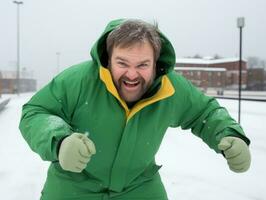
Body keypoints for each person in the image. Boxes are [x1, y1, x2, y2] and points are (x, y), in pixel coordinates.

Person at [19, 19, 251, 200]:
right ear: (109, 59)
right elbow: (36, 112)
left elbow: (204, 113)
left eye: (142, 65)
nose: (132, 74)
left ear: (156, 62)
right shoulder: (78, 80)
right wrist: (60, 142)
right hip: (73, 187)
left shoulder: (171, 88)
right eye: (122, 63)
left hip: (139, 186)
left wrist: (230, 134)